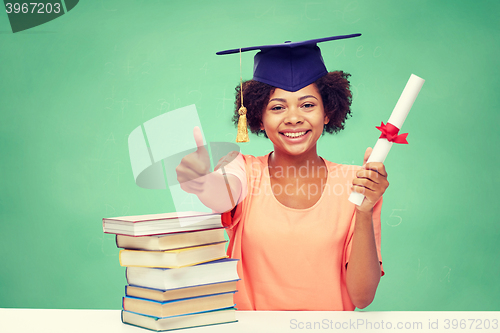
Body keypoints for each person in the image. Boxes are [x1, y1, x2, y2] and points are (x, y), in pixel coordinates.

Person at [175, 34, 389, 311]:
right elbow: (225, 192)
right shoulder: (243, 168)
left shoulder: (358, 183)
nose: (293, 117)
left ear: (327, 112)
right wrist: (203, 182)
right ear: (258, 118)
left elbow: (362, 297)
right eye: (277, 107)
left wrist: (363, 209)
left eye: (308, 104)